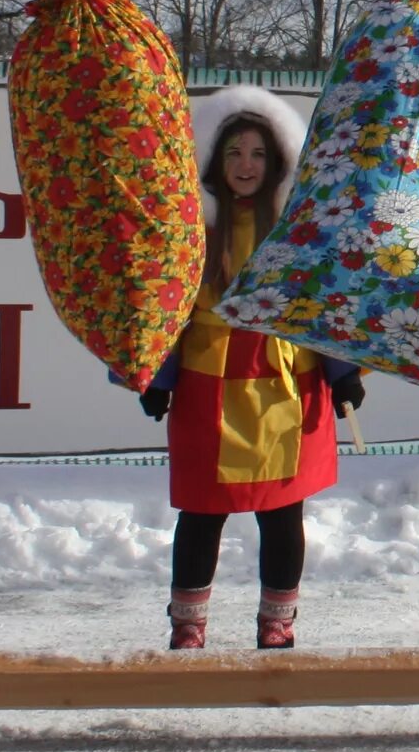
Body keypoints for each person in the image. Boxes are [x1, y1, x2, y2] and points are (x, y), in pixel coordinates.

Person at [144, 86, 362, 652]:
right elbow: (164, 307)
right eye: (235, 152)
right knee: (200, 514)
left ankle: (278, 620)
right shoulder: (189, 227)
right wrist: (156, 377)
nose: (246, 166)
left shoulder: (299, 229)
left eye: (259, 154)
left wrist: (343, 373)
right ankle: (188, 624)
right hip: (206, 386)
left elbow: (323, 305)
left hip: (289, 386)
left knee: (284, 513)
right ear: (214, 158)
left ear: (278, 160)